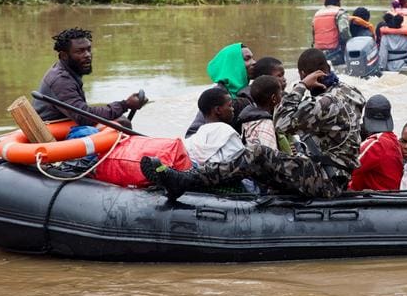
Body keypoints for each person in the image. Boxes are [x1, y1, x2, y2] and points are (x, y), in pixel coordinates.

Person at [142, 49, 365, 200]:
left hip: (326, 181)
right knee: (263, 160)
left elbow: (283, 123)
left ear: (307, 75)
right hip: (334, 174)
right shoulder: (350, 93)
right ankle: (190, 179)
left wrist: (301, 86)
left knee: (257, 154)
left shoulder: (326, 102)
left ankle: (186, 180)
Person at [33, 28, 144, 125]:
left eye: (89, 49)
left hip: (65, 123)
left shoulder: (67, 71)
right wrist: (125, 105)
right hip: (53, 133)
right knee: (123, 123)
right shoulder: (61, 80)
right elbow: (84, 116)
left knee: (121, 120)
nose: (88, 55)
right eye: (80, 51)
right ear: (64, 55)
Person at [185, 43, 259, 137]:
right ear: (233, 64)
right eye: (247, 59)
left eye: (252, 58)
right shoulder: (217, 95)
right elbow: (192, 134)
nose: (254, 62)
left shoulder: (251, 91)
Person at [348, 95, 404, 191]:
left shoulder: (376, 143)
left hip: (377, 200)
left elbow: (347, 166)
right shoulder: (393, 139)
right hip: (387, 196)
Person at [183, 87, 245, 166]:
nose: (232, 109)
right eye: (230, 105)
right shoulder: (227, 132)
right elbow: (240, 162)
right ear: (218, 110)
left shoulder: (193, 139)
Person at [237, 74, 285, 151]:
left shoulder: (247, 118)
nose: (282, 96)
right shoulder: (265, 124)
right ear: (274, 98)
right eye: (280, 93)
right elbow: (270, 156)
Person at [312, 0, 351, 65]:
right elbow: (344, 32)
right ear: (338, 2)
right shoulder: (340, 13)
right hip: (335, 52)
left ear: (325, 3)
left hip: (318, 53)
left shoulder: (317, 14)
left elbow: (314, 34)